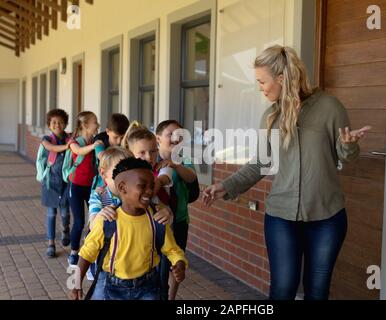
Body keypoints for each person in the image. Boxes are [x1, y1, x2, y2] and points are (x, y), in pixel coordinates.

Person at [201, 45, 371, 300]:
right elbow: (260, 163)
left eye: (262, 81)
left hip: (327, 217)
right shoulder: (270, 117)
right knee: (282, 290)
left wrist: (348, 145)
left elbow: (345, 157)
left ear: (281, 78)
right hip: (281, 218)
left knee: (317, 292)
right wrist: (224, 186)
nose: (260, 87)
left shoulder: (329, 107)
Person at [68, 157, 187, 300]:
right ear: (122, 188)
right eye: (142, 186)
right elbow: (86, 253)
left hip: (148, 287)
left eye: (151, 185)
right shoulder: (108, 220)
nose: (149, 191)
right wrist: (75, 282)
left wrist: (179, 263)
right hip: (112, 288)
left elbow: (172, 249)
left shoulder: (157, 220)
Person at [86, 146, 173, 297]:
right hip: (107, 270)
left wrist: (167, 212)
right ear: (103, 174)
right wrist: (101, 215)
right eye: (118, 171)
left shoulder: (139, 195)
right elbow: (92, 225)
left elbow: (159, 210)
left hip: (139, 268)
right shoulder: (100, 197)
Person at [156, 120, 198, 300]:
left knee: (177, 262)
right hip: (157, 221)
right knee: (158, 265)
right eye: (170, 134)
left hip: (179, 220)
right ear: (158, 138)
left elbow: (191, 177)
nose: (175, 138)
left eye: (179, 135)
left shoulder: (183, 157)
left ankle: (171, 297)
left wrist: (176, 165)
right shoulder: (151, 157)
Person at [66, 111, 103, 266]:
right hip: (75, 186)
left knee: (94, 220)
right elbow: (78, 151)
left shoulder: (95, 141)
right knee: (79, 221)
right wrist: (93, 146)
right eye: (95, 122)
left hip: (91, 187)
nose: (98, 125)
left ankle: (89, 250)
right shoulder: (75, 141)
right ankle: (74, 253)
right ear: (85, 125)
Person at [37, 109, 71, 257]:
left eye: (61, 122)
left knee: (64, 212)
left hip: (66, 182)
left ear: (65, 124)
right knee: (51, 213)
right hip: (50, 181)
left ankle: (65, 229)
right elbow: (50, 148)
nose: (57, 125)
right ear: (49, 125)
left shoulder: (69, 138)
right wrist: (66, 147)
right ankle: (51, 243)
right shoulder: (47, 139)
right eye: (54, 122)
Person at [91, 113, 130, 189]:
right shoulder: (100, 140)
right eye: (115, 137)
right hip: (101, 185)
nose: (119, 141)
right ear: (107, 131)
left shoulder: (127, 142)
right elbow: (102, 156)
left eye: (122, 137)